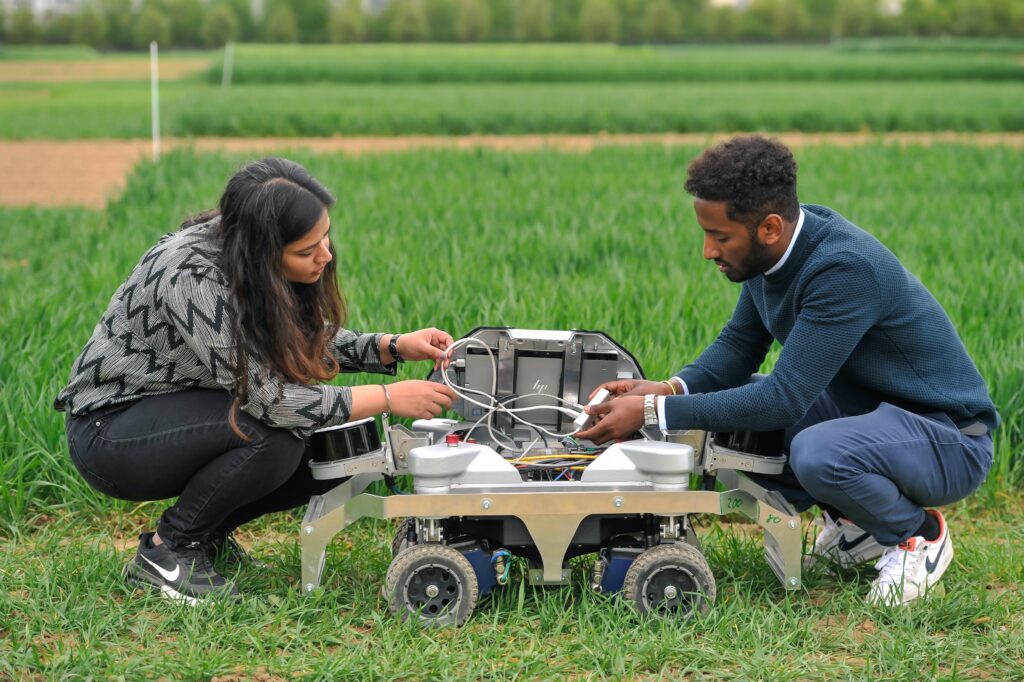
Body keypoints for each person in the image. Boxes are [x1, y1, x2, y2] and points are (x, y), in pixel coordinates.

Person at [577, 135, 998, 607]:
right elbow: (739, 346)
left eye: (720, 236)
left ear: (769, 228)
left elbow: (786, 398)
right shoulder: (774, 252)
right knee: (742, 421)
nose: (708, 251)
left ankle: (918, 536)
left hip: (949, 438)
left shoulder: (842, 269)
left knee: (818, 450)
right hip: (877, 420)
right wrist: (670, 387)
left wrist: (654, 411)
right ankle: (858, 528)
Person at [55, 157, 457, 604]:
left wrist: (391, 346)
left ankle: (207, 536)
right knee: (273, 438)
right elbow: (273, 401)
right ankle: (171, 550)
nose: (324, 255)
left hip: (180, 407)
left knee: (330, 449)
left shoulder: (243, 252)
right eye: (307, 251)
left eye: (325, 238)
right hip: (111, 431)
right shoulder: (190, 277)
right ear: (264, 252)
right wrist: (387, 397)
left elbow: (292, 342)